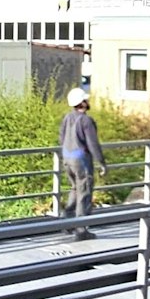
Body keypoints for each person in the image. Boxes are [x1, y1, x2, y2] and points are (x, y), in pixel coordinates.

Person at [59, 89, 106, 239]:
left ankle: (67, 222)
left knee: (75, 189)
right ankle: (81, 230)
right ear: (82, 103)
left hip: (67, 159)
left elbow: (61, 138)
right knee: (84, 192)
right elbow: (93, 144)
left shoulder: (67, 117)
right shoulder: (86, 121)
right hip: (81, 161)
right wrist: (102, 162)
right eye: (86, 100)